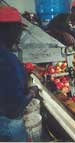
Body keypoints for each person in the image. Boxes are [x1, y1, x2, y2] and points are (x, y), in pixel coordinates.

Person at [0, 6, 39, 142]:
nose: (19, 36)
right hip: (7, 127)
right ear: (9, 29)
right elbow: (14, 108)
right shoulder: (8, 60)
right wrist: (32, 92)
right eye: (18, 30)